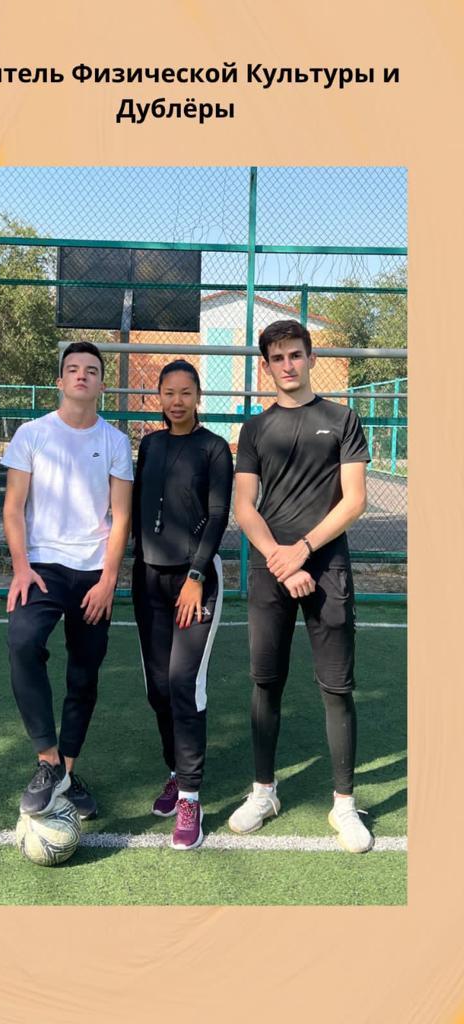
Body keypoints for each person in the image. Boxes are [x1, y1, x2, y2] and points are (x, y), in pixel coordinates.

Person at [228, 319, 373, 853]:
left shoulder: (342, 419)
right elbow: (245, 505)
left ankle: (344, 804)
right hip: (272, 570)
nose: (287, 364)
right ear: (266, 366)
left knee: (337, 687)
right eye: (277, 357)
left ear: (311, 359)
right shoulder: (255, 429)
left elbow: (354, 500)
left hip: (326, 567)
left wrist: (304, 550)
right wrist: (281, 559)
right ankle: (263, 792)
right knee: (265, 682)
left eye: (295, 354)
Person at [2, 341, 133, 819]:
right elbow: (13, 507)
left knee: (84, 671)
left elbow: (121, 517)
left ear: (101, 384)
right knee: (22, 642)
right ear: (60, 381)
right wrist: (22, 566)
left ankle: (68, 772)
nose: (82, 375)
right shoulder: (32, 434)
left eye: (91, 370)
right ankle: (48, 761)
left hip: (93, 573)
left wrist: (109, 579)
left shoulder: (115, 441)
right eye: (73, 369)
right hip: (42, 567)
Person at [132, 360, 233, 850]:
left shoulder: (214, 448)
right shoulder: (150, 445)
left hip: (195, 580)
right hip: (148, 579)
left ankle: (191, 796)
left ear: (198, 397)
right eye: (169, 392)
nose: (177, 401)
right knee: (157, 688)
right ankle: (175, 772)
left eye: (185, 392)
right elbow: (138, 508)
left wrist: (195, 574)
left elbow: (218, 515)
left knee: (182, 684)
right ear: (159, 397)